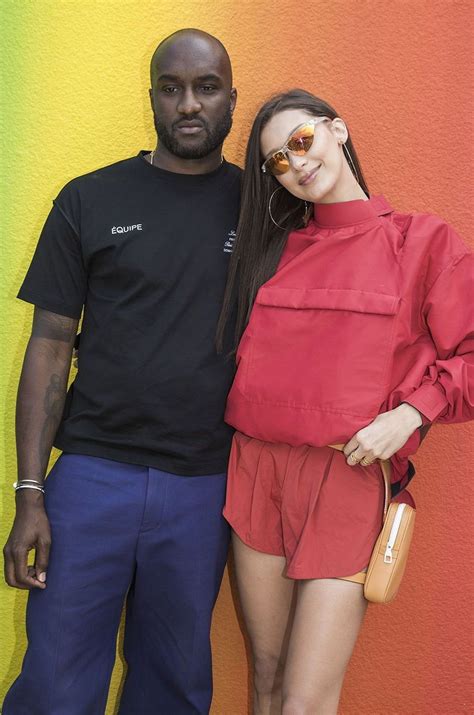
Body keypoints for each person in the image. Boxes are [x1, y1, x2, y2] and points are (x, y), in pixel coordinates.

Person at [3, 29, 240, 715]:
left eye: (206, 87)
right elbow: (48, 344)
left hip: (205, 485)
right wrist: (29, 495)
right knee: (53, 683)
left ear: (231, 97)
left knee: (173, 686)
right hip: (90, 478)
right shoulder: (89, 198)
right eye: (171, 88)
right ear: (152, 99)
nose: (188, 104)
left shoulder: (262, 211)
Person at [216, 89, 474, 715]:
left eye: (302, 141)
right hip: (257, 473)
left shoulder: (424, 242)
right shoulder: (270, 252)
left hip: (348, 480)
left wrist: (413, 412)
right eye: (278, 160)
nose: (296, 164)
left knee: (305, 701)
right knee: (268, 677)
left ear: (337, 129)